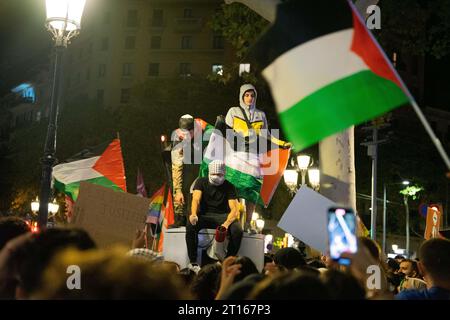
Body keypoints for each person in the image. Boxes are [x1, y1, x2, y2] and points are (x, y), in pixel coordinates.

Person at [225, 84, 290, 231]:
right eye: (246, 95)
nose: (249, 98)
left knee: (252, 191)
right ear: (242, 96)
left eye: (252, 95)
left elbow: (266, 134)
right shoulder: (233, 111)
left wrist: (281, 143)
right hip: (236, 155)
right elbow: (226, 131)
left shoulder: (261, 114)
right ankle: (231, 219)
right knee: (233, 189)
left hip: (254, 156)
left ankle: (248, 223)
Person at [186, 160, 243, 273]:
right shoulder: (201, 182)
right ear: (209, 173)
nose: (216, 176)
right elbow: (196, 199)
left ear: (224, 174)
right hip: (204, 215)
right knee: (190, 225)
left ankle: (227, 262)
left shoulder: (229, 186)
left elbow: (234, 209)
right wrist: (193, 214)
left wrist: (226, 224)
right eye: (214, 174)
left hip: (223, 216)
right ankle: (193, 262)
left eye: (220, 174)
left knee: (238, 230)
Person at [170, 114, 205, 228]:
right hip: (187, 169)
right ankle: (181, 216)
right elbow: (177, 166)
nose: (184, 137)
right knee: (182, 186)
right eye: (182, 134)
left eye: (187, 134)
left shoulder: (205, 134)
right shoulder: (177, 137)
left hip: (202, 169)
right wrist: (178, 191)